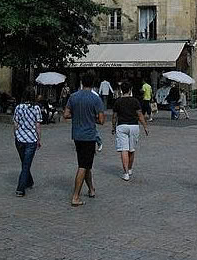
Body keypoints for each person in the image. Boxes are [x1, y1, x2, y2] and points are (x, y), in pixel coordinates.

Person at [63, 71, 105, 206]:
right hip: (89, 136)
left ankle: (91, 189)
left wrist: (77, 116)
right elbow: (101, 120)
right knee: (83, 165)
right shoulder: (96, 99)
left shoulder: (73, 97)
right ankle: (75, 196)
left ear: (82, 82)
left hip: (77, 135)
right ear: (93, 84)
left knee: (86, 164)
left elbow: (66, 114)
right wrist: (91, 118)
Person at [111, 81, 149, 180]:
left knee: (124, 149)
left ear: (121, 90)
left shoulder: (117, 101)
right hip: (134, 126)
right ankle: (130, 168)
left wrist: (113, 127)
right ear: (130, 90)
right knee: (131, 149)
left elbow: (114, 116)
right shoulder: (135, 101)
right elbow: (140, 115)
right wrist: (145, 126)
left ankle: (126, 173)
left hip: (121, 126)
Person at [13, 88, 42, 197]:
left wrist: (16, 135)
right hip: (31, 139)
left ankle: (29, 181)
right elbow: (37, 126)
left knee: (24, 162)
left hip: (20, 138)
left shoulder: (18, 107)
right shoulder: (36, 108)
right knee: (26, 164)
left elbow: (15, 124)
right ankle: (20, 188)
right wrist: (39, 139)